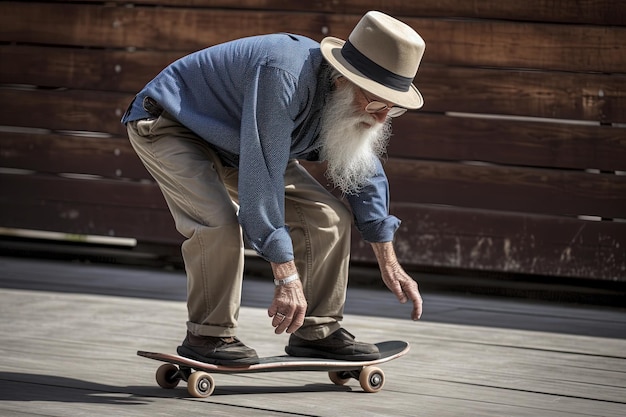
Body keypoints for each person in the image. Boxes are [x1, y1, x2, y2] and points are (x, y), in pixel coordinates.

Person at [122, 11, 424, 366]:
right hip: (174, 123)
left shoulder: (356, 104)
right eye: (375, 101)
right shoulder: (284, 73)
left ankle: (318, 332)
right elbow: (261, 177)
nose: (381, 116)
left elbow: (364, 174)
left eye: (393, 106)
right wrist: (287, 276)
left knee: (327, 218)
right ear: (344, 78)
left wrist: (387, 259)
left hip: (240, 142)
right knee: (218, 223)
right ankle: (208, 335)